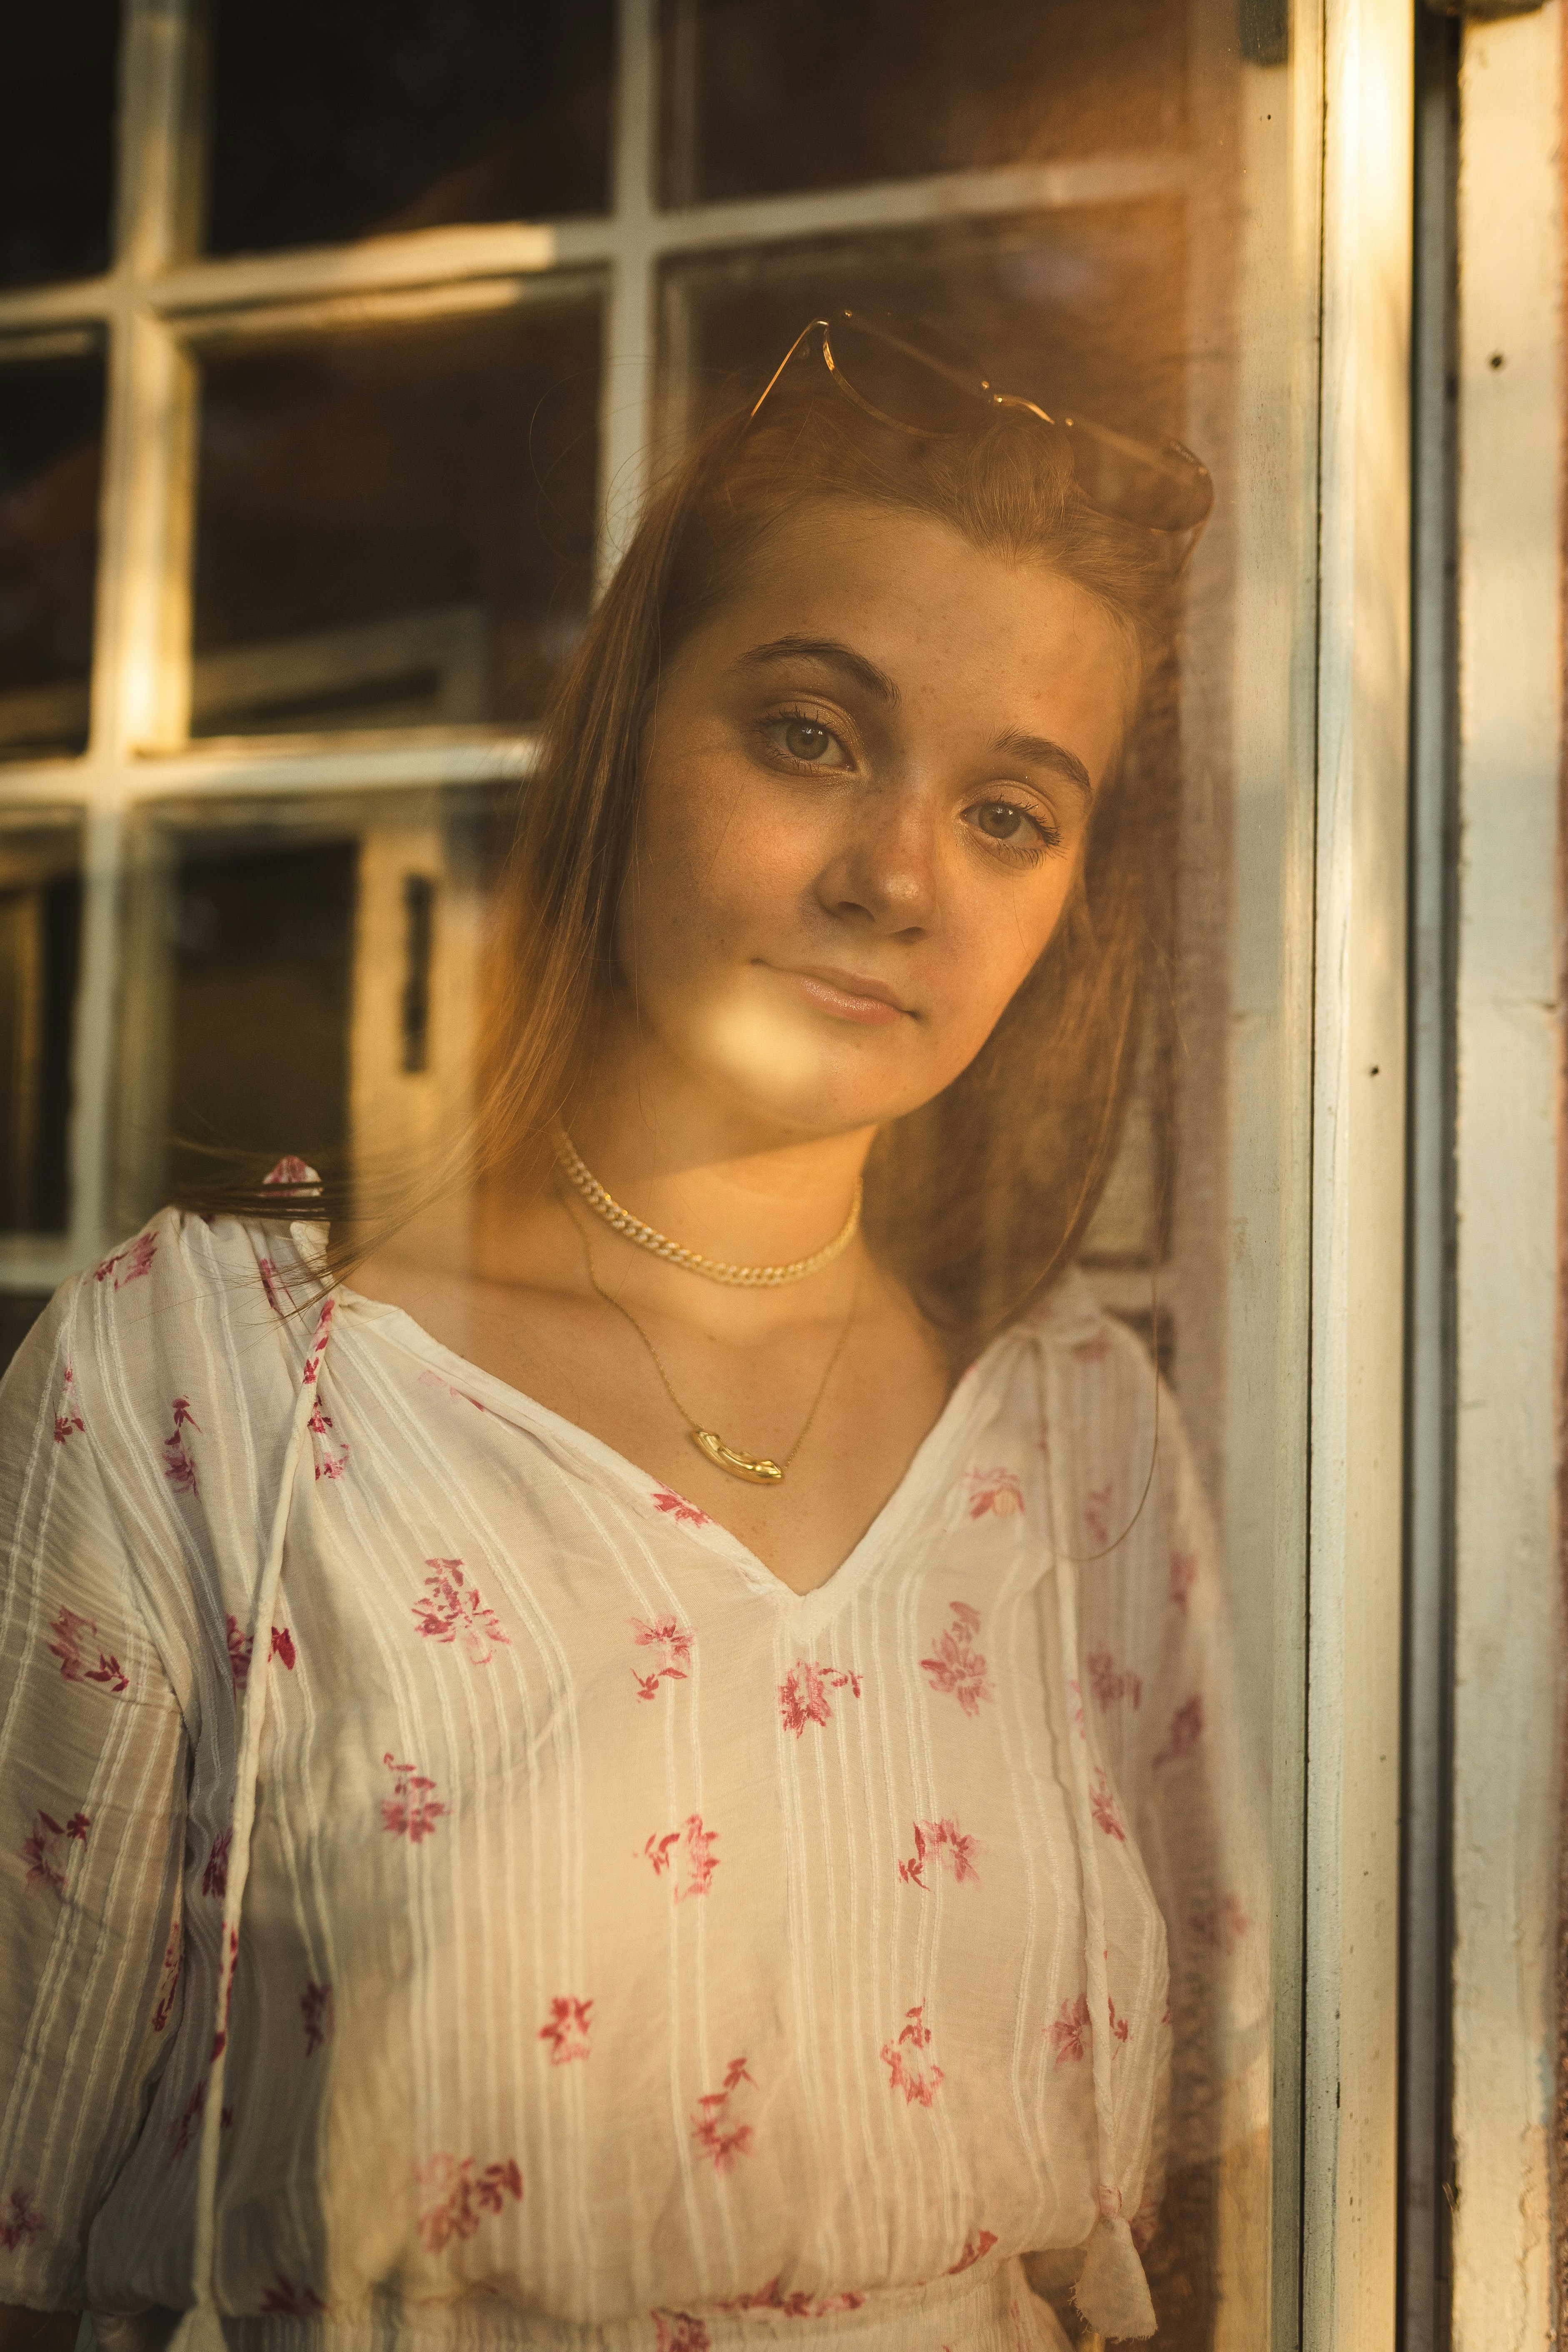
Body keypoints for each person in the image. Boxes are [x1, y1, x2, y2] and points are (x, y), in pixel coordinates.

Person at [0, 317, 1262, 2352]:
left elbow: (1199, 2204)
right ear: (623, 737)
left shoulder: (1076, 1437)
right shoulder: (211, 1384)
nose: (893, 877)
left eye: (1011, 814)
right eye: (812, 735)